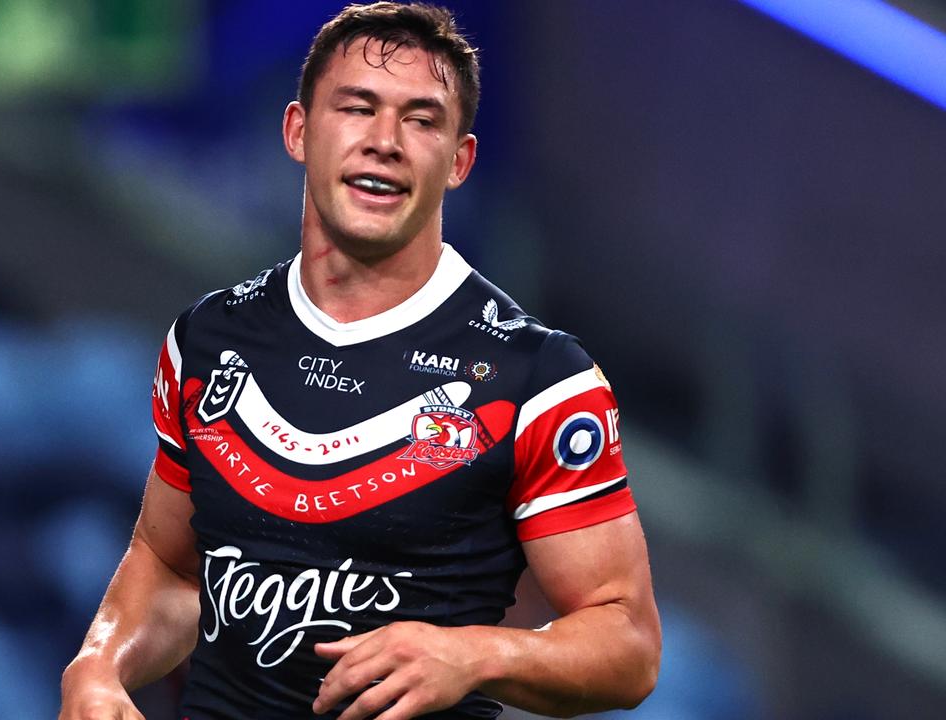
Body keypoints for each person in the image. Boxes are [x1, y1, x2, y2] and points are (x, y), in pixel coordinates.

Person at [59, 3, 661, 718]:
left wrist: (476, 653)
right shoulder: (207, 338)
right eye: (358, 107)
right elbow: (169, 569)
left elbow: (630, 643)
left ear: (460, 160)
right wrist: (97, 667)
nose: (385, 141)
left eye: (422, 119)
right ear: (298, 131)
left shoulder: (539, 379)